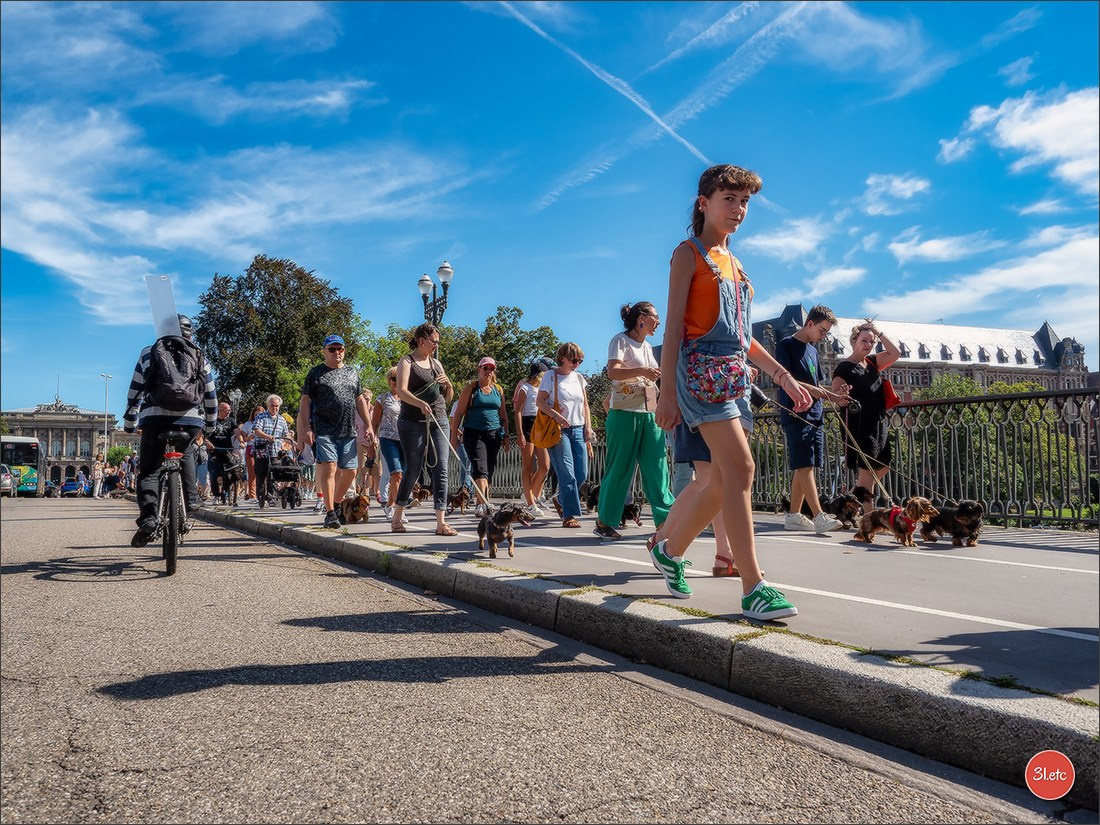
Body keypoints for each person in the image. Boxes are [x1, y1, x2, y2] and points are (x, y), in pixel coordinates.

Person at [650, 164, 811, 619]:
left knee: (722, 480)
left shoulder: (735, 263)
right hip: (701, 372)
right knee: (742, 466)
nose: (738, 210)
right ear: (704, 202)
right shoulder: (689, 254)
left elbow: (744, 336)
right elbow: (677, 330)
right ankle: (753, 585)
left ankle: (669, 550)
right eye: (729, 199)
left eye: (744, 202)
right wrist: (667, 393)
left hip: (735, 375)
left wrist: (782, 375)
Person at [122, 313, 217, 547]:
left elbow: (135, 390)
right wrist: (211, 424)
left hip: (154, 419)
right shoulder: (199, 354)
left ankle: (149, 518)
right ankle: (191, 501)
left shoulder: (148, 352)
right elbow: (211, 394)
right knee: (185, 455)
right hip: (190, 420)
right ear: (190, 333)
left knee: (150, 469)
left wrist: (130, 422)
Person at [594, 302, 675, 541]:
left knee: (657, 467)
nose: (658, 322)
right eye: (655, 317)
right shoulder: (620, 341)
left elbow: (650, 377)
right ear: (642, 318)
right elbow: (613, 372)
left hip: (650, 413)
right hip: (623, 413)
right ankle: (604, 522)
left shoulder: (648, 346)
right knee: (620, 468)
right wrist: (642, 370)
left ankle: (665, 521)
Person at [776, 305, 844, 535]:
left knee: (806, 465)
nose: (823, 336)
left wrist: (832, 396)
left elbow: (817, 385)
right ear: (810, 324)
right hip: (796, 412)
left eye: (827, 333)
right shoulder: (786, 345)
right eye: (822, 331)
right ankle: (818, 515)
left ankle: (794, 515)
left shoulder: (812, 351)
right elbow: (786, 380)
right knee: (804, 464)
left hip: (815, 414)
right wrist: (822, 394)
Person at [296, 334, 374, 529]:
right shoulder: (316, 373)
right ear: (325, 351)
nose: (337, 352)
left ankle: (337, 503)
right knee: (330, 467)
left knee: (350, 472)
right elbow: (305, 401)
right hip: (324, 429)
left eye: (340, 349)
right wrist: (305, 428)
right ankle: (330, 512)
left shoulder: (352, 373)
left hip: (348, 429)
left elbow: (359, 400)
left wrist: (369, 425)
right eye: (332, 349)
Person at [392, 323, 456, 536]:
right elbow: (401, 391)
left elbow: (446, 397)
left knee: (442, 469)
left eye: (438, 342)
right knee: (414, 468)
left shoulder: (436, 363)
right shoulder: (407, 361)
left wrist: (448, 385)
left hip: (439, 418)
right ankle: (397, 515)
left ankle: (441, 522)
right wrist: (419, 403)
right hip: (412, 422)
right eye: (434, 341)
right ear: (422, 340)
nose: (436, 345)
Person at [832, 320, 901, 512]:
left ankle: (849, 500)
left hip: (878, 422)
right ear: (854, 341)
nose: (868, 345)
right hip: (859, 424)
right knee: (868, 472)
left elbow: (896, 353)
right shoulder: (844, 367)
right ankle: (869, 518)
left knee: (885, 464)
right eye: (864, 340)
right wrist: (842, 394)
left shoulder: (872, 363)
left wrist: (878, 332)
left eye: (871, 341)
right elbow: (836, 395)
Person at [536, 342, 594, 529]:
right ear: (562, 359)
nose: (577, 363)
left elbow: (585, 404)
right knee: (567, 473)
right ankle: (569, 515)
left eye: (580, 360)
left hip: (578, 427)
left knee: (582, 473)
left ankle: (561, 499)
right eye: (574, 360)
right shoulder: (550, 376)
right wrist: (557, 416)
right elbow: (540, 401)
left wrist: (588, 427)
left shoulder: (579, 378)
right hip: (558, 429)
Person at [451, 356, 510, 517]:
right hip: (474, 432)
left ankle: (481, 502)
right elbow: (458, 413)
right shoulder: (471, 388)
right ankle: (484, 504)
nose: (488, 372)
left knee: (489, 469)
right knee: (480, 467)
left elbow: (503, 414)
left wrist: (506, 436)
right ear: (479, 369)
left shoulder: (498, 389)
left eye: (491, 369)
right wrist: (454, 435)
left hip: (494, 433)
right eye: (485, 368)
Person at [514, 358, 554, 516]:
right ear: (539, 374)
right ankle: (530, 502)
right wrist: (520, 433)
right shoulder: (525, 387)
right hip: (528, 423)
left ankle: (530, 494)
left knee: (545, 465)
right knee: (528, 466)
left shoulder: (542, 389)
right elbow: (517, 411)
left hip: (540, 425)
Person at [370, 366, 404, 522]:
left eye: (400, 378)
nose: (397, 382)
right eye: (394, 378)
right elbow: (374, 423)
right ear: (389, 381)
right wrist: (372, 442)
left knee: (400, 476)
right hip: (387, 439)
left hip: (405, 440)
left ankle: (389, 505)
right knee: (395, 474)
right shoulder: (382, 399)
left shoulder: (409, 399)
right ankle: (399, 510)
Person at [252, 394, 291, 509]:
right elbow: (256, 430)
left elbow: (285, 434)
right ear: (268, 405)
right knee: (261, 474)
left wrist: (290, 439)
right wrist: (267, 437)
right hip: (262, 450)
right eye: (272, 405)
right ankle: (260, 496)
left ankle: (271, 497)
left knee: (273, 474)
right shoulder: (261, 417)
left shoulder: (282, 419)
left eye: (277, 406)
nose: (275, 408)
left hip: (275, 452)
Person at [205, 401, 237, 503]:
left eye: (229, 410)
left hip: (227, 451)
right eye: (227, 410)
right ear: (220, 410)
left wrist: (241, 440)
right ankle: (216, 495)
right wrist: (207, 442)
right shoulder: (212, 420)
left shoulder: (231, 421)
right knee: (213, 474)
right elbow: (203, 435)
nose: (228, 412)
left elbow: (236, 431)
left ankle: (226, 494)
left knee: (228, 474)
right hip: (214, 451)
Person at [240, 405, 264, 500]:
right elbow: (244, 438)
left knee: (262, 472)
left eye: (260, 414)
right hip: (251, 448)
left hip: (262, 448)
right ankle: (252, 495)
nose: (257, 416)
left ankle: (263, 494)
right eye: (256, 414)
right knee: (252, 472)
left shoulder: (265, 423)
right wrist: (249, 437)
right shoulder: (248, 424)